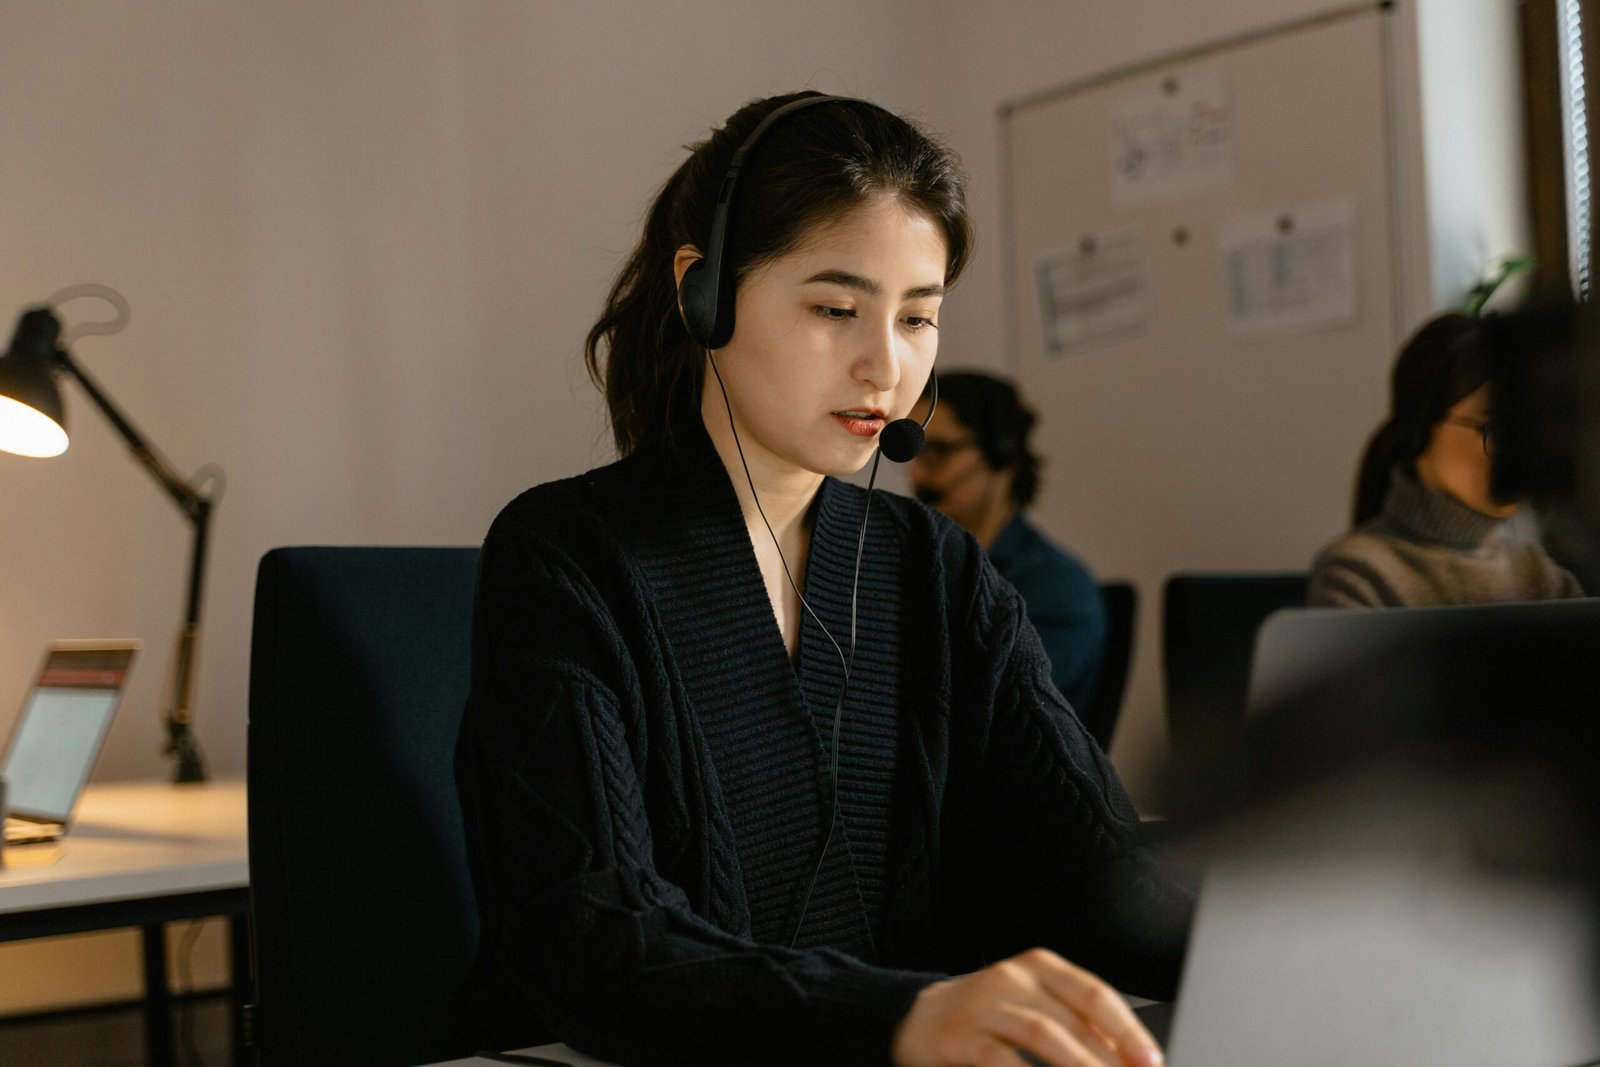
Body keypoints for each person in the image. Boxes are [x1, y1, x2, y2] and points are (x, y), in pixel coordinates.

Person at [453, 91, 1191, 1067]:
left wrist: (1307, 938)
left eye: (918, 318)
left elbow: (1093, 873)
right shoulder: (568, 554)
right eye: (836, 308)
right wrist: (902, 1015)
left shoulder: (938, 568)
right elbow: (592, 932)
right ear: (702, 292)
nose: (886, 364)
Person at [1308, 312, 1585, 607]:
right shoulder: (1358, 573)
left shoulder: (1544, 577)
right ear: (1422, 427)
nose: (1517, 454)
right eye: (1494, 430)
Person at [906, 371, 1107, 711]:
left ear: (999, 452)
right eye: (914, 452)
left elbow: (989, 712)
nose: (918, 474)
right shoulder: (919, 565)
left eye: (938, 451)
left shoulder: (1056, 586)